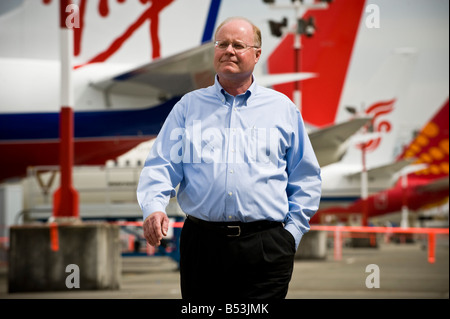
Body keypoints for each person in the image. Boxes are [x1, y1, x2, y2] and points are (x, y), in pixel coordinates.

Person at [137, 17, 322, 299]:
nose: (229, 50)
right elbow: (161, 165)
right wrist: (153, 207)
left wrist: (291, 234)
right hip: (203, 245)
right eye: (222, 44)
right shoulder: (188, 107)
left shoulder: (282, 109)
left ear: (257, 54)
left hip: (267, 246)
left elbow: (305, 178)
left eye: (238, 45)